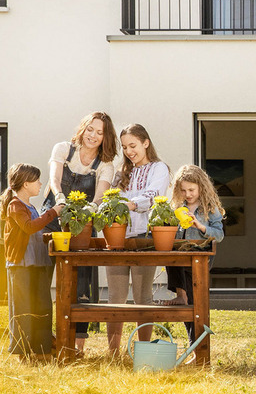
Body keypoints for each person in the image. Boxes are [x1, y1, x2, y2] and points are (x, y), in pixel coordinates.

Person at [47, 111, 118, 354]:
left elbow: (101, 194)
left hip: (83, 224)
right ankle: (44, 339)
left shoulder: (105, 165)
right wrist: (60, 198)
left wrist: (92, 208)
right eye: (90, 129)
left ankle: (77, 346)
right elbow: (54, 180)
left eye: (100, 133)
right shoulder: (63, 149)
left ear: (105, 138)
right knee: (43, 277)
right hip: (54, 217)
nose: (93, 136)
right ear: (83, 128)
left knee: (81, 283)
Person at [104, 123, 170, 357]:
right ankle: (113, 352)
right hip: (118, 239)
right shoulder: (122, 173)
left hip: (144, 238)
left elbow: (153, 195)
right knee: (116, 296)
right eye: (125, 147)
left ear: (146, 143)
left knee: (143, 296)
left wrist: (130, 205)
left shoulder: (159, 168)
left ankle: (144, 351)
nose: (129, 151)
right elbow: (109, 199)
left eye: (133, 145)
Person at [0, 163, 63, 360]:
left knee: (42, 306)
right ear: (26, 184)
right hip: (21, 265)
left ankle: (42, 349)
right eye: (37, 180)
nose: (40, 184)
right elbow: (29, 227)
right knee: (23, 308)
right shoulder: (15, 205)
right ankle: (22, 352)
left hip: (37, 263)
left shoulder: (30, 206)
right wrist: (53, 212)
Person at [161, 164, 225, 339]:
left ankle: (196, 342)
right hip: (181, 257)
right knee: (172, 259)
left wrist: (200, 226)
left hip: (199, 256)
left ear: (201, 188)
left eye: (191, 190)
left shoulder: (209, 208)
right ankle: (180, 295)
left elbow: (219, 235)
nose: (188, 194)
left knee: (195, 302)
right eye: (183, 190)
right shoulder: (176, 207)